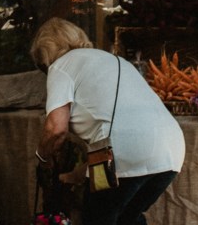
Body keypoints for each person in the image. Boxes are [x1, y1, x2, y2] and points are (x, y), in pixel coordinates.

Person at [30, 17, 185, 225]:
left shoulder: (62, 66)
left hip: (128, 151)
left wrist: (42, 157)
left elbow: (56, 129)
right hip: (171, 151)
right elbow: (115, 127)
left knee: (98, 219)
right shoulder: (114, 60)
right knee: (128, 218)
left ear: (45, 53)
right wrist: (76, 174)